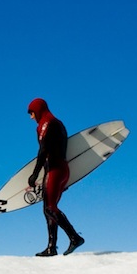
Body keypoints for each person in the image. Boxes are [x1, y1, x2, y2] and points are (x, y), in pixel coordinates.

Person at [26, 98, 85, 257]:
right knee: (49, 209)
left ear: (37, 110)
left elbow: (43, 150)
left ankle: (75, 237)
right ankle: (51, 247)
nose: (31, 117)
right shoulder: (57, 124)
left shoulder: (47, 123)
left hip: (55, 170)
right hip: (60, 170)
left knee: (50, 208)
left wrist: (35, 174)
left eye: (32, 113)